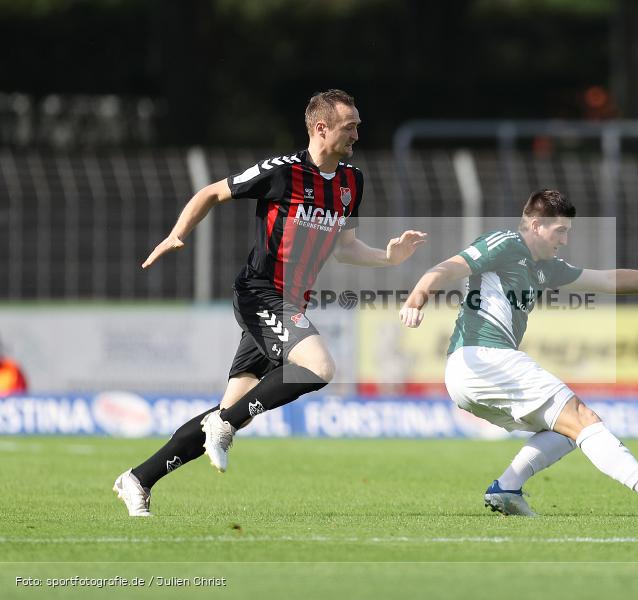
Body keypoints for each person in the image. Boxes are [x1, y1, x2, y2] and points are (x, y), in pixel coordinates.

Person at [114, 89, 427, 516]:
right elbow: (210, 192)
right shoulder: (282, 172)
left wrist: (389, 257)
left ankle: (139, 478)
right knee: (320, 368)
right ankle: (223, 425)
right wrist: (178, 233)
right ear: (321, 128)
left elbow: (345, 246)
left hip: (292, 303)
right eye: (349, 125)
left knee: (232, 406)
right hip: (260, 293)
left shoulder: (353, 182)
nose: (358, 132)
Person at [399, 189, 638, 517]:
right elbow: (447, 267)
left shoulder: (545, 267)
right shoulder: (506, 242)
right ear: (536, 225)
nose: (565, 240)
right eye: (560, 231)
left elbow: (609, 280)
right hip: (484, 358)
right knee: (584, 419)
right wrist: (418, 296)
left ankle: (507, 488)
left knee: (566, 430)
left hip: (471, 374)